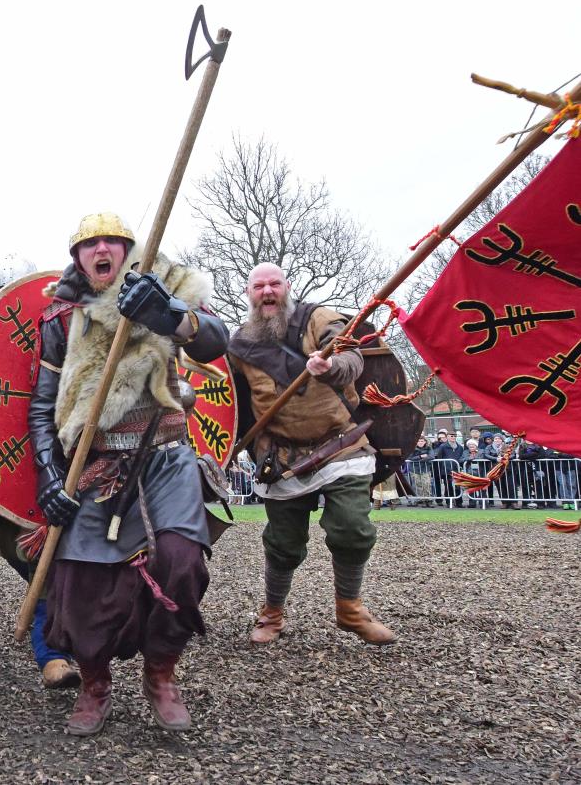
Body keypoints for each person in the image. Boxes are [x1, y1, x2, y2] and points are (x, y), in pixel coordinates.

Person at [31, 212, 228, 736]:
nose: (102, 250)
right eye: (89, 244)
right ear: (78, 258)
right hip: (94, 465)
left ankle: (161, 673)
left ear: (126, 249)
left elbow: (214, 340)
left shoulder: (166, 290)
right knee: (81, 586)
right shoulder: (59, 319)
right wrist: (49, 475)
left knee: (183, 562)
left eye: (111, 242)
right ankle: (95, 684)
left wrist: (169, 315)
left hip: (163, 453)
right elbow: (42, 403)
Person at [227, 263, 396, 649]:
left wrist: (330, 366)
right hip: (281, 456)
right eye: (258, 286)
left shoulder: (318, 318)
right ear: (248, 294)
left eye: (274, 284)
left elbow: (351, 357)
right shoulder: (239, 345)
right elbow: (231, 401)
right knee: (283, 543)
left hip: (339, 445)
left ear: (287, 287)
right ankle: (272, 613)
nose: (267, 292)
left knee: (352, 527)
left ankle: (350, 609)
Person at [0, 253, 81, 690]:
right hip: (6, 476)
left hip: (71, 467)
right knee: (33, 557)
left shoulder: (68, 329)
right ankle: (57, 638)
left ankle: (54, 651)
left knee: (73, 562)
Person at [430, 429, 461, 506]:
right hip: (446, 469)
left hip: (456, 469)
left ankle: (459, 502)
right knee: (448, 486)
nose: (453, 437)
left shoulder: (460, 447)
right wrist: (442, 469)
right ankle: (449, 502)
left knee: (458, 486)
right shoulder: (443, 446)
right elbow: (440, 458)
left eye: (454, 436)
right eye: (451, 436)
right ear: (447, 437)